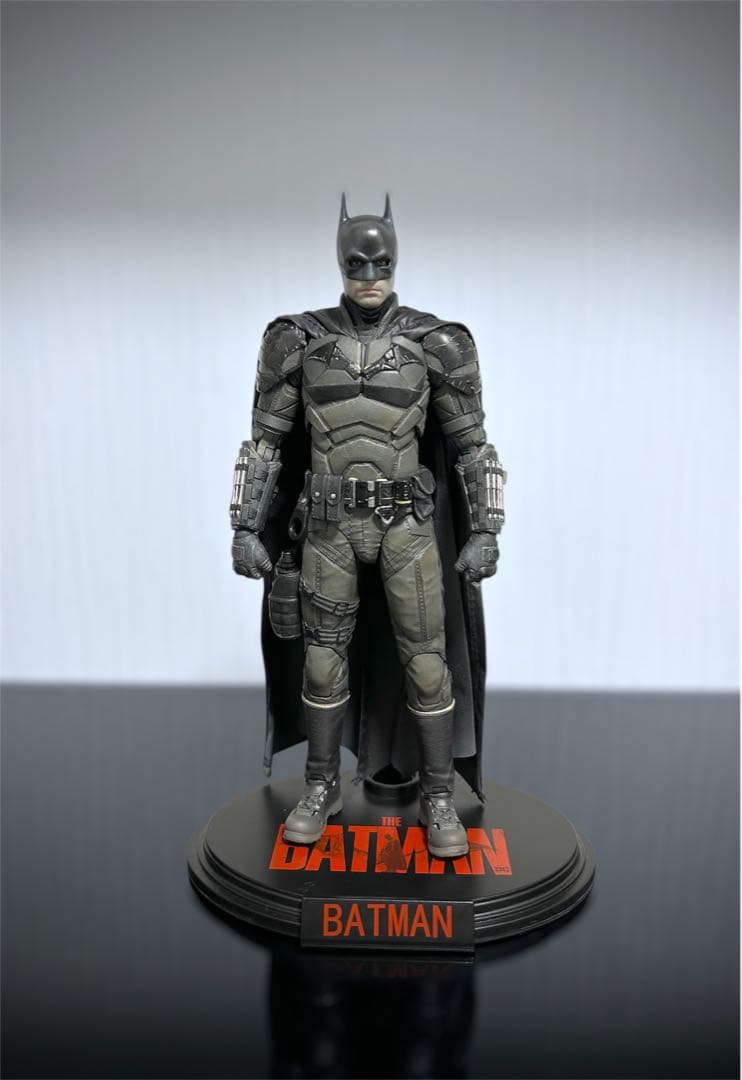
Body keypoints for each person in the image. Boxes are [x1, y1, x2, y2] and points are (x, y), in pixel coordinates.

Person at [230, 196, 505, 858]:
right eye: (357, 264)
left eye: (381, 263)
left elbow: (473, 448)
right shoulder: (297, 340)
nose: (371, 276)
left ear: (396, 261)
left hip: (407, 525)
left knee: (428, 664)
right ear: (340, 263)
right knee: (322, 663)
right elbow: (264, 446)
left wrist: (486, 529)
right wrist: (245, 526)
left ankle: (437, 795)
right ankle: (320, 785)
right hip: (328, 526)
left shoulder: (436, 342)